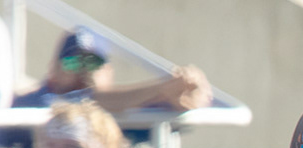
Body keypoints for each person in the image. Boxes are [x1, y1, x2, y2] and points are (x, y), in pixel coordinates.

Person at [11, 27, 211, 116]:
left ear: (109, 71)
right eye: (72, 62)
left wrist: (187, 93)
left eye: (92, 62)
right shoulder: (33, 101)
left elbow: (182, 103)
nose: (83, 70)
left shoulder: (128, 104)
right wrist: (162, 89)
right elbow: (85, 102)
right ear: (52, 69)